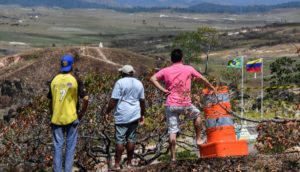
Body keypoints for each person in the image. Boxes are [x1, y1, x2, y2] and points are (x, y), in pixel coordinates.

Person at [150, 49, 215, 161]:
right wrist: (211, 87)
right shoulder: (188, 68)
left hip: (170, 104)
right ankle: (198, 139)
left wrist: (163, 90)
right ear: (182, 58)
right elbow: (202, 78)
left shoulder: (166, 70)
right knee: (197, 115)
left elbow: (152, 78)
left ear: (171, 59)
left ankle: (173, 158)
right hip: (184, 104)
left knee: (172, 130)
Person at [48, 54, 89, 172]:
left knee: (57, 147)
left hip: (56, 119)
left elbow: (50, 102)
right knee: (70, 147)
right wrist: (81, 113)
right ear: (72, 66)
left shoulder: (54, 80)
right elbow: (86, 98)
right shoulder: (75, 80)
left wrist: (52, 115)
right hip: (72, 117)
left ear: (61, 65)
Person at [105, 64, 145, 170]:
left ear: (123, 73)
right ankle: (129, 163)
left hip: (122, 115)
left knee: (120, 139)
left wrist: (107, 112)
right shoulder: (139, 83)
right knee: (131, 139)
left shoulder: (120, 82)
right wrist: (142, 114)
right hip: (135, 114)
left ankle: (117, 164)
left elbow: (114, 100)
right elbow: (142, 101)